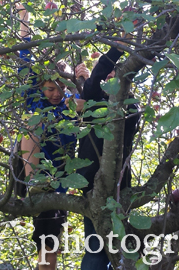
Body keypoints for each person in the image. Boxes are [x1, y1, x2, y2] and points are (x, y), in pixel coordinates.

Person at [15, 3, 87, 270]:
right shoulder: (35, 103)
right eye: (49, 89)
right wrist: (24, 22)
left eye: (60, 88)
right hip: (35, 179)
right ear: (40, 87)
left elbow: (91, 101)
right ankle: (36, 182)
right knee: (29, 126)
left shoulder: (72, 105)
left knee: (49, 245)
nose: (55, 94)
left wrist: (83, 79)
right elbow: (24, 59)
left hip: (58, 185)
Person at [75, 45, 140, 270]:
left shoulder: (131, 105)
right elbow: (93, 85)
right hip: (92, 184)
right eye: (107, 73)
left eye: (117, 73)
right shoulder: (91, 96)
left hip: (119, 186)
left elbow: (124, 117)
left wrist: (91, 109)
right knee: (96, 249)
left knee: (117, 247)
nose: (111, 75)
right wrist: (115, 51)